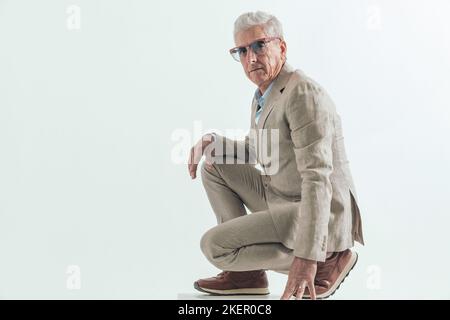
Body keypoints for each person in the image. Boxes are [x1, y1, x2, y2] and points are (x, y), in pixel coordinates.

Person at [188, 11, 364, 300]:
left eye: (259, 45)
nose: (251, 58)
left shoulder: (302, 93)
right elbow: (259, 150)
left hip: (317, 211)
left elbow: (318, 179)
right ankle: (247, 275)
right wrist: (212, 142)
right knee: (214, 166)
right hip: (282, 198)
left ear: (281, 47)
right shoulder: (264, 93)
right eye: (241, 51)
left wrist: (307, 258)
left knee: (214, 246)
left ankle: (328, 260)